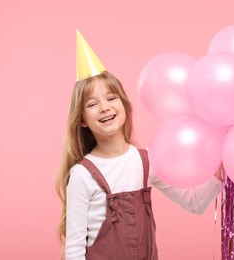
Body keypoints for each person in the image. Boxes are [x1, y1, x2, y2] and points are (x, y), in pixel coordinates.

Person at [56, 30, 223, 260]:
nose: (104, 107)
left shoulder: (146, 162)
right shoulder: (82, 175)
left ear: (124, 106)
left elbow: (193, 203)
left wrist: (219, 175)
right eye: (92, 104)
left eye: (111, 98)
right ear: (82, 120)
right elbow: (74, 252)